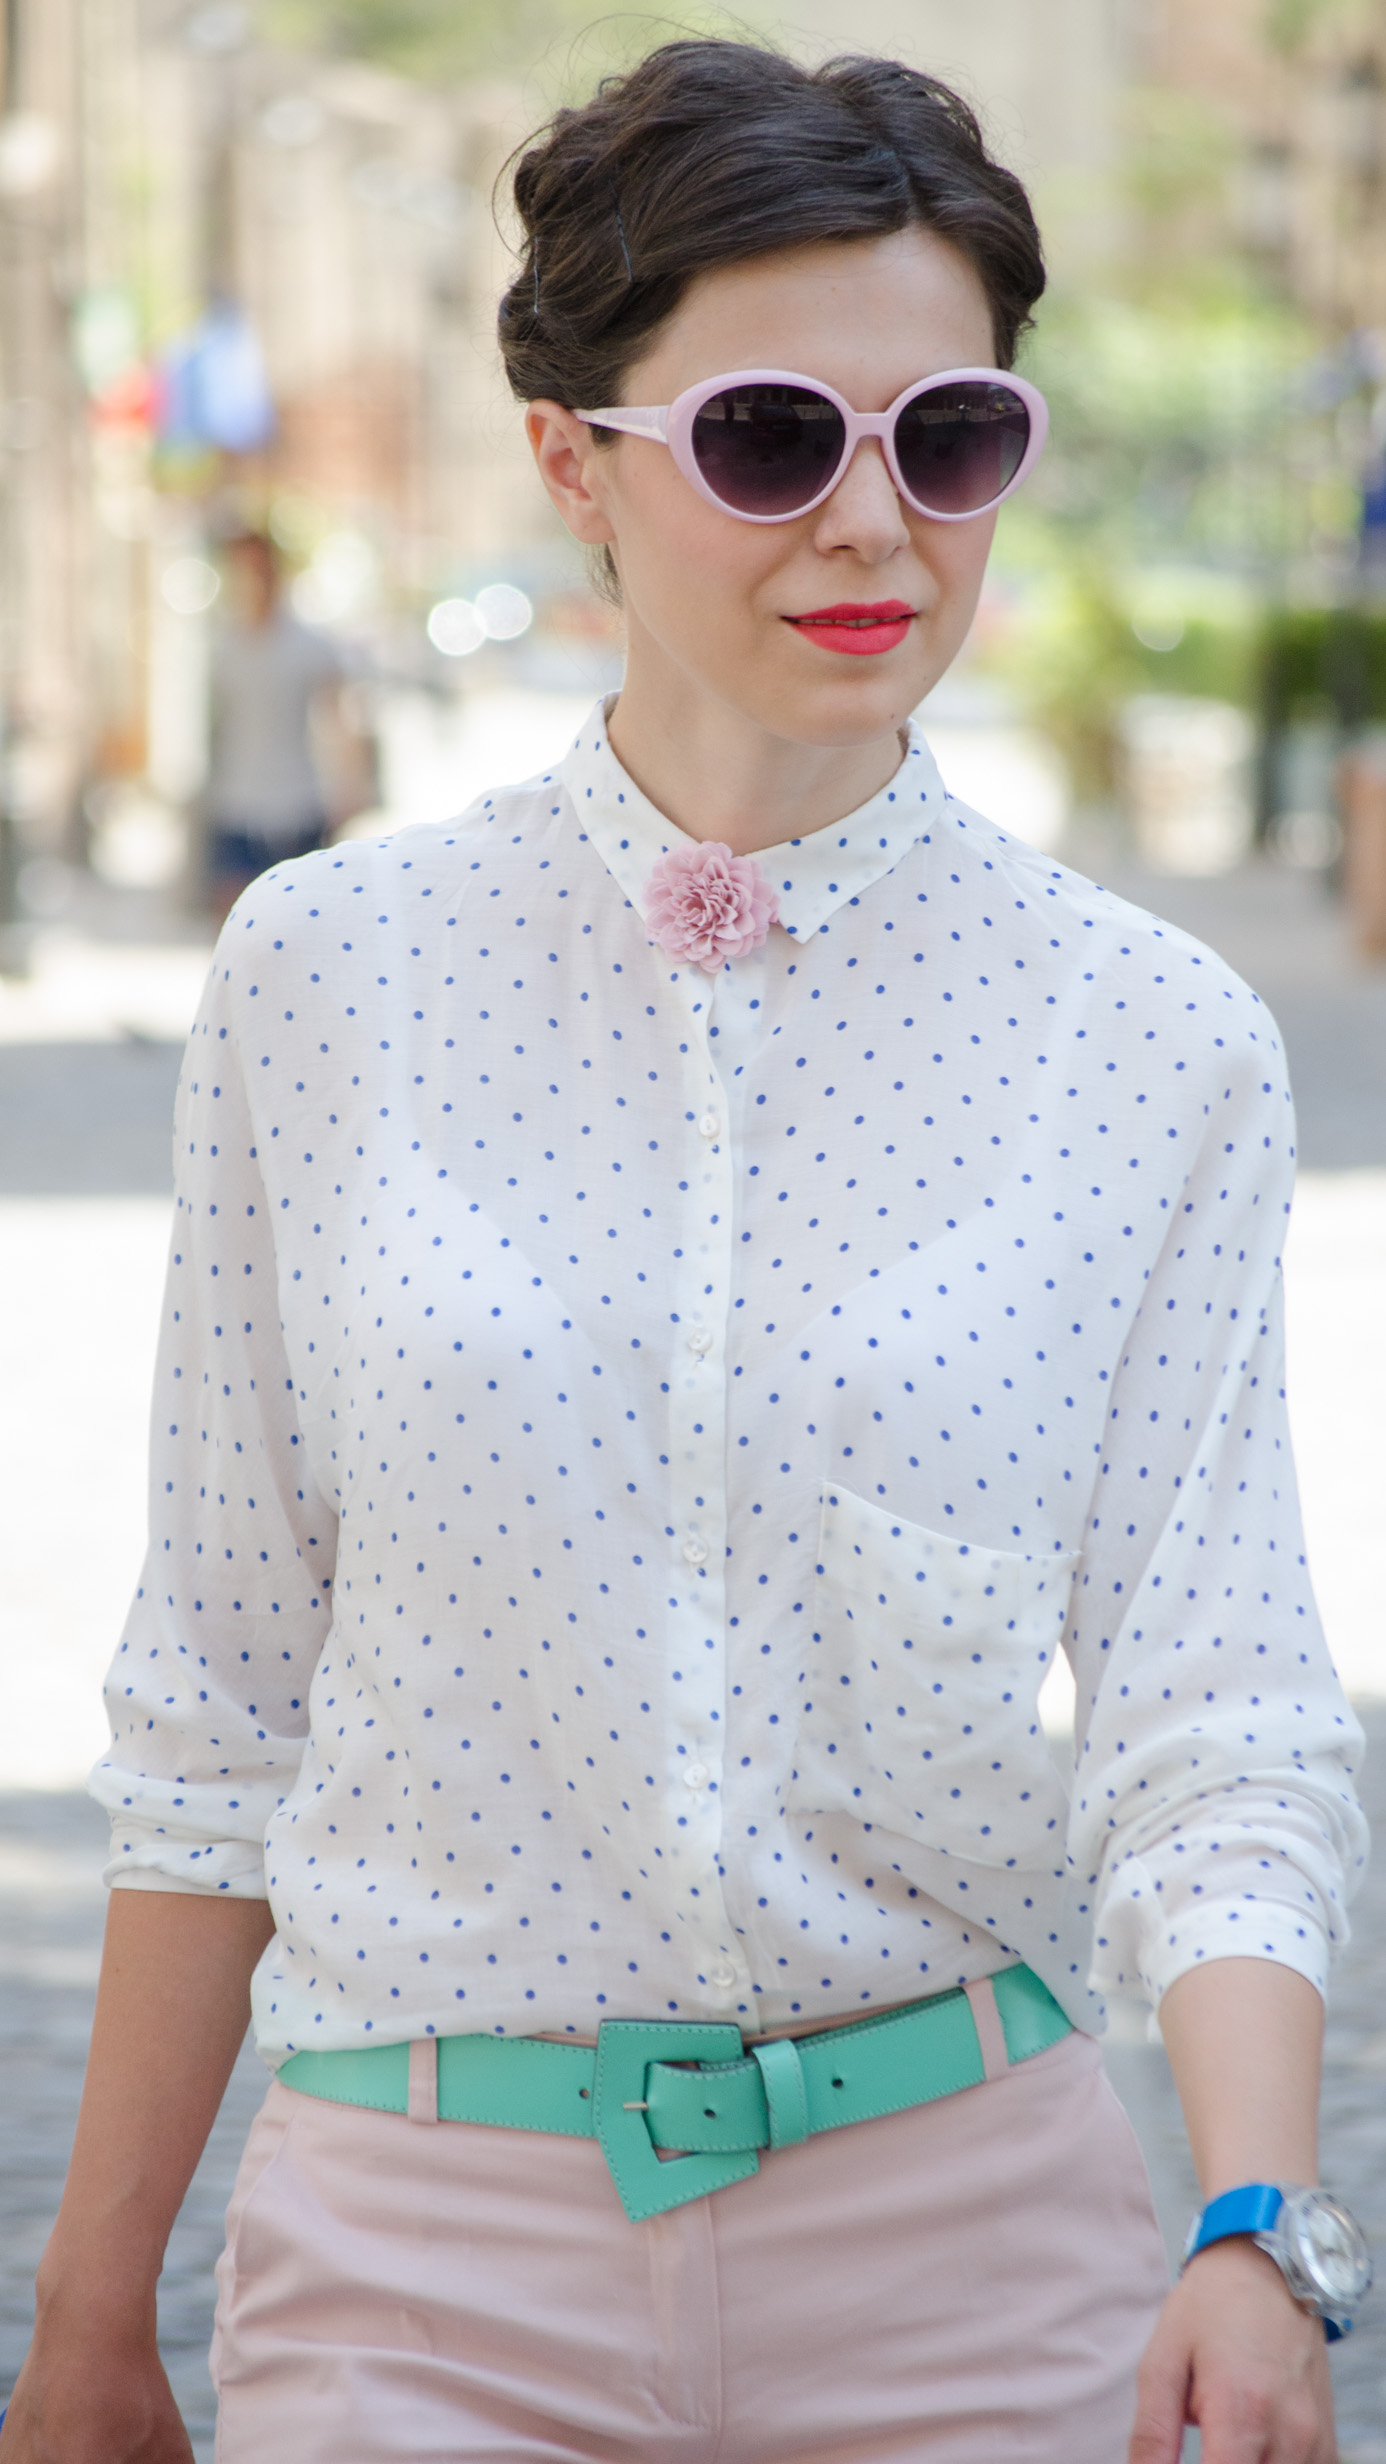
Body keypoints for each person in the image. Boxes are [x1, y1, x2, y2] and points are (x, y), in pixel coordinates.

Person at [2, 40, 1369, 2464]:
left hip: (981, 2274)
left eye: (947, 437)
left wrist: (1255, 2226)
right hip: (422, 2269)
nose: (874, 522)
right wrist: (92, 2317)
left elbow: (1217, 1721)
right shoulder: (326, 979)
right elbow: (218, 1707)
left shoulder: (1156, 1047)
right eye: (767, 437)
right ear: (574, 461)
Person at [202, 529, 351, 920]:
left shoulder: (312, 646)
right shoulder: (223, 648)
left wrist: (348, 790)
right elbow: (215, 727)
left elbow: (337, 721)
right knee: (233, 922)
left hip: (299, 804)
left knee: (297, 923)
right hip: (236, 802)